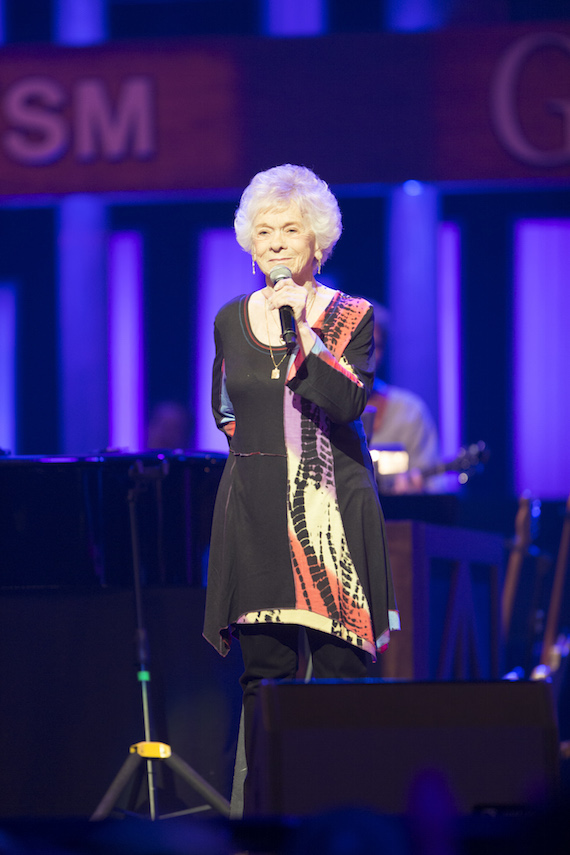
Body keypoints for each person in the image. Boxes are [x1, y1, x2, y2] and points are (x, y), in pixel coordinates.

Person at [202, 164, 399, 809]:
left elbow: (346, 404)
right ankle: (266, 819)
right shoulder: (231, 319)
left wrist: (306, 337)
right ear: (249, 244)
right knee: (264, 679)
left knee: (339, 678)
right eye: (264, 230)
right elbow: (225, 411)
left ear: (319, 242)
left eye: (291, 229)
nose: (277, 241)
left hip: (333, 515)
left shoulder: (351, 316)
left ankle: (343, 817)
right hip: (258, 512)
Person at [367, 300, 442, 494]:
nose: (366, 355)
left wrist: (417, 492)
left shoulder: (410, 412)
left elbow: (435, 486)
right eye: (357, 345)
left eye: (374, 346)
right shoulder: (321, 409)